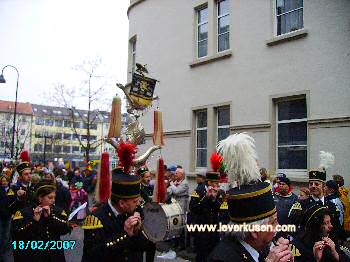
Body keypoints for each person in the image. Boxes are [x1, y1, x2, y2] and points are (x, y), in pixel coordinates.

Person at [209, 133, 293, 262]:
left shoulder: (262, 247)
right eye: (273, 222)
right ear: (254, 231)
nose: (279, 227)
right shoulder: (221, 259)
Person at [82, 153, 148, 261]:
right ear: (122, 203)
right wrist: (125, 234)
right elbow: (94, 255)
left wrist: (137, 232)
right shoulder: (96, 218)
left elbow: (143, 247)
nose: (138, 203)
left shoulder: (136, 211)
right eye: (135, 201)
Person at [11, 181, 72, 262]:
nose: (53, 200)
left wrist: (50, 217)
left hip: (54, 254)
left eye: (54, 197)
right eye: (50, 198)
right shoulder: (24, 212)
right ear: (40, 198)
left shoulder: (58, 211)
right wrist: (34, 221)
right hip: (33, 255)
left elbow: (66, 229)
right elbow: (16, 234)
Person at [191, 169, 223, 262]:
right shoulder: (197, 191)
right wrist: (206, 198)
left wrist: (214, 199)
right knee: (201, 256)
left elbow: (222, 209)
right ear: (208, 182)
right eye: (214, 183)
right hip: (202, 229)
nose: (216, 186)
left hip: (214, 229)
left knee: (214, 255)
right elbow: (193, 208)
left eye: (218, 183)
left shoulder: (219, 192)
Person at [0, 175, 14, 262]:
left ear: (8, 181)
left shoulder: (11, 190)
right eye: (2, 181)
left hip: (8, 216)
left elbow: (13, 202)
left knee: (6, 236)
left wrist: (13, 213)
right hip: (0, 216)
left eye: (5, 181)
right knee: (1, 234)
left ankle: (4, 253)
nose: (4, 182)